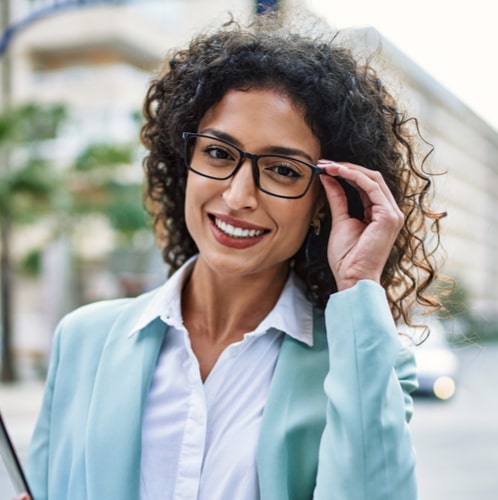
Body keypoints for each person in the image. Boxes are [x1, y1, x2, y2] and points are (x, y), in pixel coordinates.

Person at [25, 10, 445, 500]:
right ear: (185, 164)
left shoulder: (363, 362)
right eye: (219, 154)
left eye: (283, 170)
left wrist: (357, 287)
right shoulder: (84, 340)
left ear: (324, 203)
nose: (239, 195)